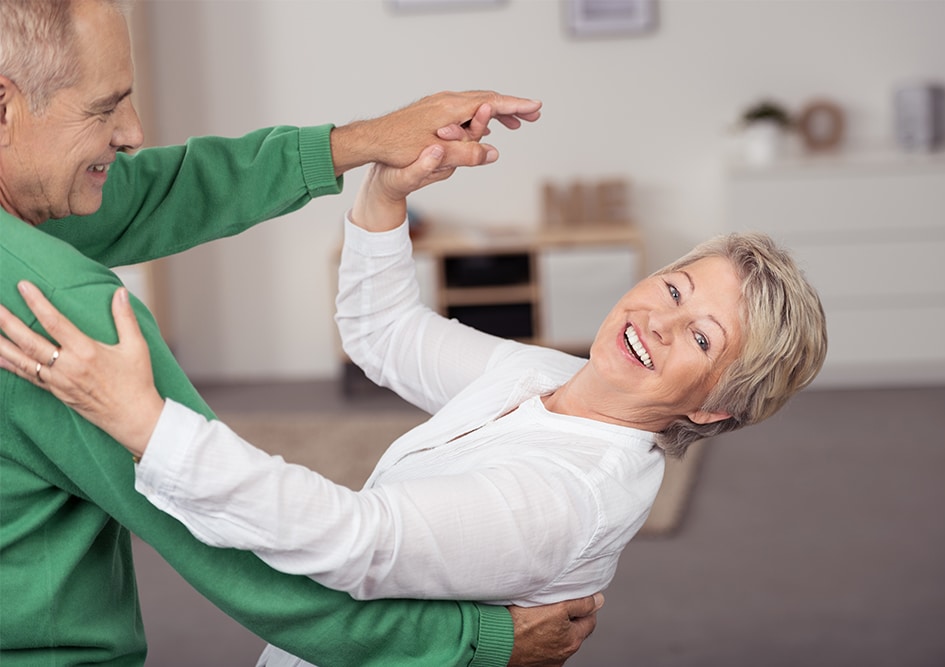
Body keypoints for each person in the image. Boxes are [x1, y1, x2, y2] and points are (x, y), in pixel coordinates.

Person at [1, 124, 829, 664]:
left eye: (702, 338)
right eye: (678, 289)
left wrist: (145, 422)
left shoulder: (570, 498)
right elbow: (386, 334)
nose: (660, 319)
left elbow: (356, 541)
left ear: (714, 406)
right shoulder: (546, 377)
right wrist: (385, 195)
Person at [0, 0, 603, 665]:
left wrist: (365, 139)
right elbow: (230, 532)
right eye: (105, 106)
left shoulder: (30, 224)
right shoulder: (58, 313)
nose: (133, 131)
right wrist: (475, 641)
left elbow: (160, 189)